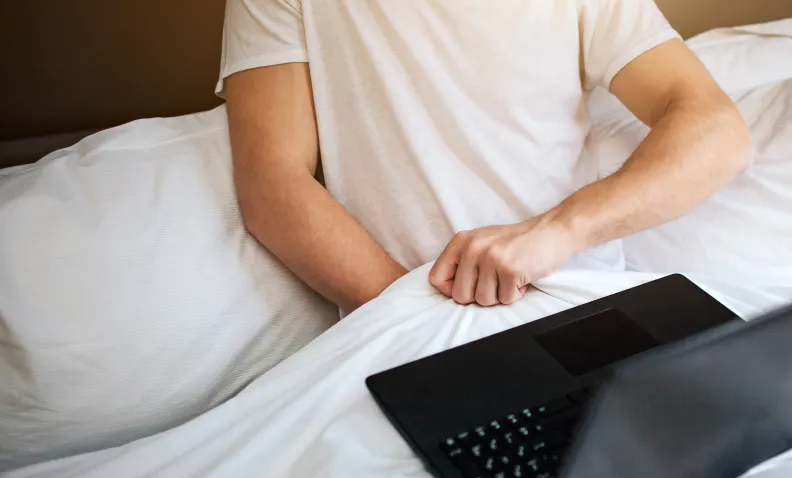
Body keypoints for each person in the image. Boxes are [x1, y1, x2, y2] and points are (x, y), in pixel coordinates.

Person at [219, 0, 751, 312]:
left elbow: (715, 129)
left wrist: (560, 230)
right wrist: (416, 316)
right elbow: (272, 182)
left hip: (590, 309)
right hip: (413, 326)